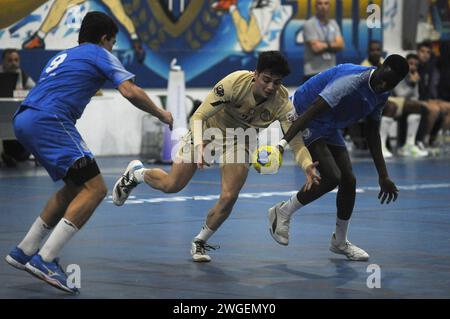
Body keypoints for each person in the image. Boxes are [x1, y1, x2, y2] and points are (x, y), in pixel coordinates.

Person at [4, 11, 173, 294]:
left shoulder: (65, 55)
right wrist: (160, 113)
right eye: (113, 43)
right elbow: (129, 90)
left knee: (74, 186)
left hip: (24, 120)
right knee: (95, 189)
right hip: (50, 120)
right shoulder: (98, 53)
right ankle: (45, 259)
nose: (112, 49)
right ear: (105, 38)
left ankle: (24, 250)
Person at [112, 50, 320, 263]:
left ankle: (200, 240)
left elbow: (295, 140)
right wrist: (201, 143)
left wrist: (306, 164)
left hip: (241, 139)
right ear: (255, 74)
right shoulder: (234, 83)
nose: (270, 87)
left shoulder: (282, 103)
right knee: (172, 185)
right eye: (266, 80)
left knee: (229, 196)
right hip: (209, 128)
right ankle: (136, 174)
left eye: (277, 82)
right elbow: (199, 115)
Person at [266, 54, 409, 261]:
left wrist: (383, 176)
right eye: (382, 79)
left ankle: (340, 241)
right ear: (380, 66)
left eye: (389, 84)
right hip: (303, 112)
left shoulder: (383, 93)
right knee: (332, 176)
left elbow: (372, 132)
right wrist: (282, 144)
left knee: (349, 180)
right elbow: (314, 109)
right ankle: (283, 212)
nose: (382, 85)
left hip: (329, 123)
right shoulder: (351, 80)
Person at [0, 48, 35, 167]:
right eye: (9, 60)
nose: (13, 63)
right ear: (3, 62)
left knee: (22, 155)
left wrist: (25, 92)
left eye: (16, 60)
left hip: (16, 118)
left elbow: (35, 90)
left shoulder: (23, 76)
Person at [302, 0, 344, 83]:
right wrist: (332, 45)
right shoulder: (309, 24)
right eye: (320, 3)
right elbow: (316, 48)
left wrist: (324, 45)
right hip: (313, 72)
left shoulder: (333, 24)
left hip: (331, 71)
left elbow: (341, 45)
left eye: (326, 3)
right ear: (315, 6)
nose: (323, 6)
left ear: (329, 6)